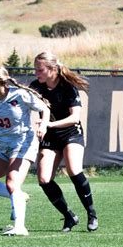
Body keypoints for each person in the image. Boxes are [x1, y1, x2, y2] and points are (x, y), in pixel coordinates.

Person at [0, 65, 50, 236]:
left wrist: (43, 124)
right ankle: (18, 196)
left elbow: (44, 108)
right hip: (3, 147)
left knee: (12, 182)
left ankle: (20, 227)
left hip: (23, 144)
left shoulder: (20, 94)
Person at [30, 51, 98, 232]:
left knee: (74, 170)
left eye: (40, 70)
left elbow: (74, 118)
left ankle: (91, 213)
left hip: (70, 134)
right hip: (50, 137)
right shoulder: (36, 86)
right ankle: (69, 216)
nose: (36, 73)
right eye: (35, 69)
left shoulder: (67, 87)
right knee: (44, 179)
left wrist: (49, 124)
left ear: (52, 69)